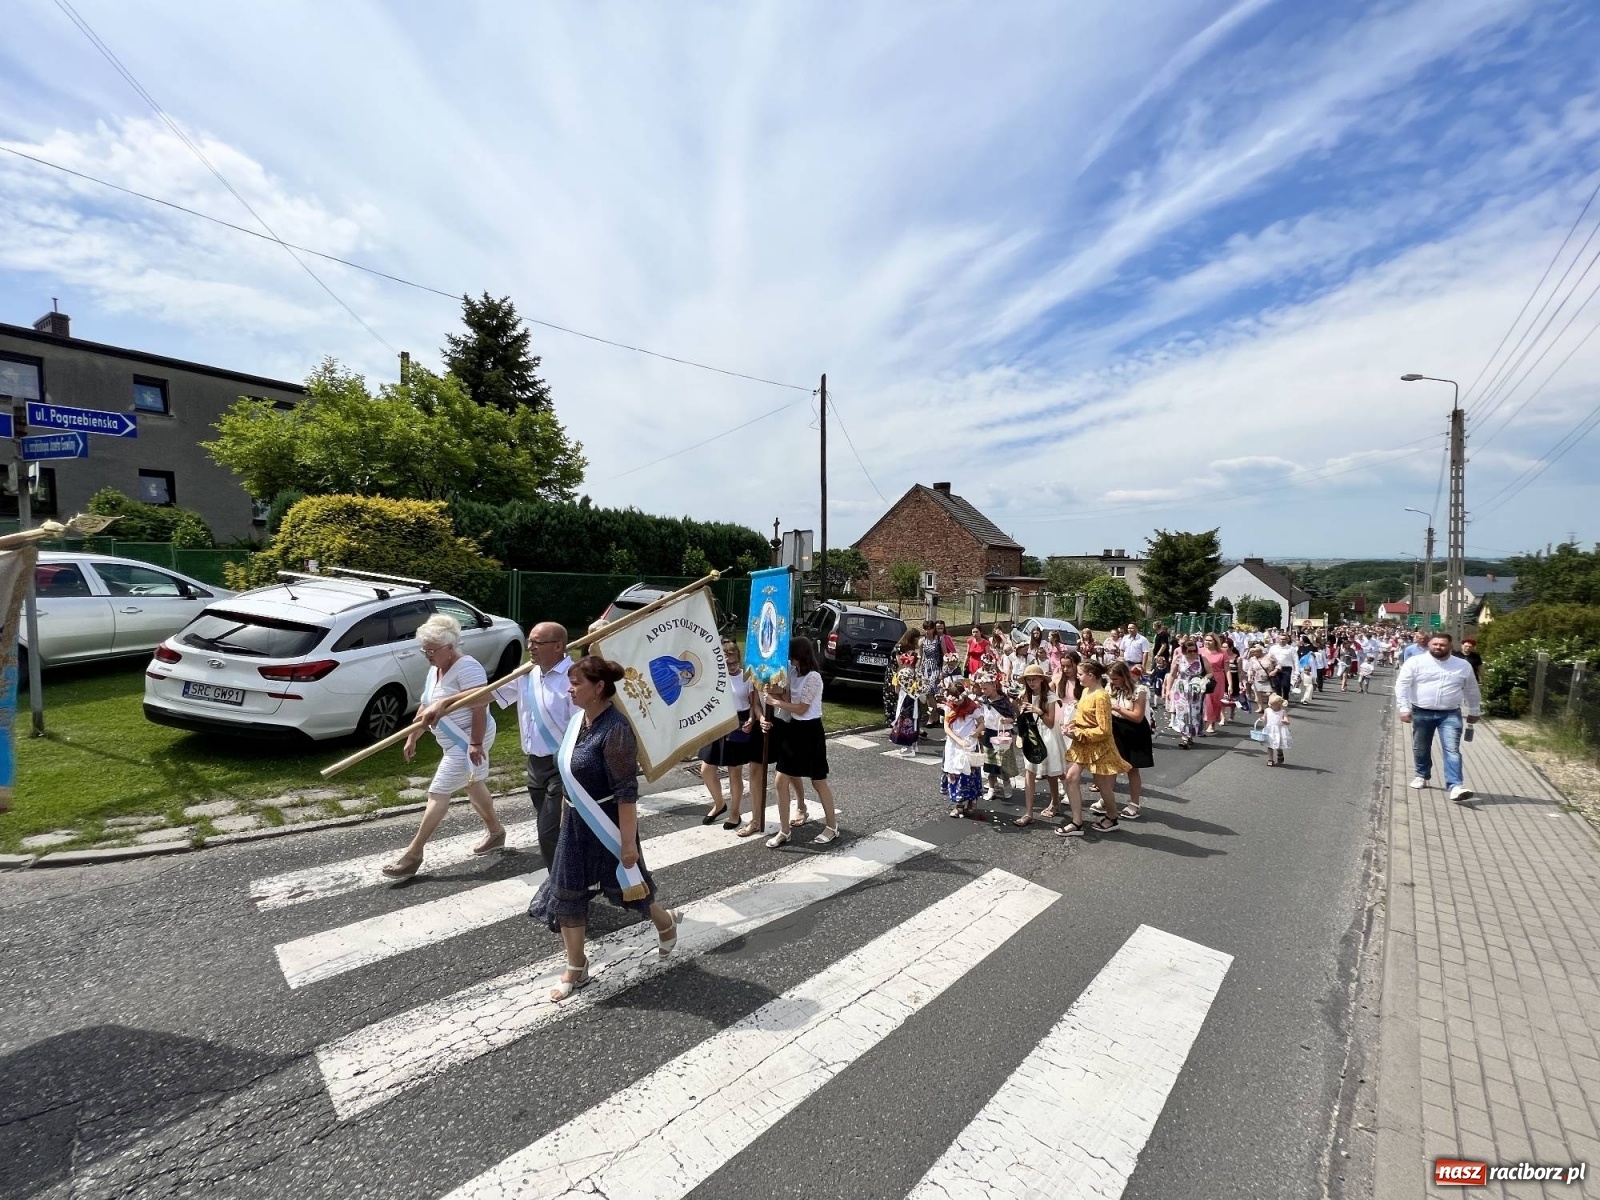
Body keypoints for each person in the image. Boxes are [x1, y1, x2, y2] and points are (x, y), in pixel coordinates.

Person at [529, 655, 680, 1002]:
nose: (569, 689)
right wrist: (566, 819)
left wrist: (628, 846)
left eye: (576, 683)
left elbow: (627, 793)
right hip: (576, 824)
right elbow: (570, 780)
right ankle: (576, 968)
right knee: (568, 892)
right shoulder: (577, 721)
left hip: (608, 825)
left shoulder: (616, 730)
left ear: (598, 688)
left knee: (625, 887)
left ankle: (664, 922)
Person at [383, 615, 503, 878]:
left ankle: (414, 854)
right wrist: (413, 736)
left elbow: (481, 702)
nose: (427, 655)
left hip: (469, 738)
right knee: (473, 784)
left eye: (431, 650)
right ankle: (496, 833)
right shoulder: (435, 668)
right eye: (424, 649)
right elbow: (427, 704)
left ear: (449, 647)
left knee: (438, 792)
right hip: (453, 742)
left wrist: (474, 743)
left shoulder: (467, 667)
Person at [489, 621, 571, 871]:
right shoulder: (526, 674)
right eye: (530, 641)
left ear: (558, 646)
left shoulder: (575, 677)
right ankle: (572, 879)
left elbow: (586, 726)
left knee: (549, 833)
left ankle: (562, 888)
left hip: (564, 765)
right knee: (552, 828)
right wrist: (443, 706)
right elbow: (487, 695)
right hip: (536, 765)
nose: (530, 647)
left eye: (537, 642)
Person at [763, 636, 839, 846]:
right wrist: (772, 690)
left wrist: (775, 701)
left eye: (794, 658)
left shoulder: (814, 677)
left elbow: (802, 708)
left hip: (811, 730)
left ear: (802, 657)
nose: (792, 661)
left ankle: (832, 826)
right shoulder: (792, 671)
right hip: (794, 729)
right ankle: (784, 830)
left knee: (818, 781)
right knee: (780, 779)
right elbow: (788, 695)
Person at [1396, 632, 1482, 803]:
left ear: (1450, 646)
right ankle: (1422, 774)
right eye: (1435, 644)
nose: (1438, 647)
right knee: (1421, 747)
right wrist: (1403, 708)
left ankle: (1456, 786)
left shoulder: (1462, 666)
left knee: (1452, 749)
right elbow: (1402, 685)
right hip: (1421, 711)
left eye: (1442, 645)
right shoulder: (1416, 662)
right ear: (1429, 645)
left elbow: (1471, 689)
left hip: (1450, 713)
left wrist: (1474, 710)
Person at [1057, 660, 1131, 837]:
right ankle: (1077, 822)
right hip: (1082, 744)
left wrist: (1080, 733)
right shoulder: (1084, 691)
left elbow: (1104, 729)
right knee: (1071, 778)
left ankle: (1112, 817)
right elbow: (1082, 716)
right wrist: (1072, 725)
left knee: (1103, 785)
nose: (1078, 676)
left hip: (1099, 746)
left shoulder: (1101, 696)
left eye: (1081, 674)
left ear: (1091, 676)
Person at [697, 635, 754, 829]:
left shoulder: (747, 675)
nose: (732, 666)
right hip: (718, 722)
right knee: (706, 769)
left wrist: (752, 719)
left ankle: (735, 813)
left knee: (734, 772)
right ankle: (719, 803)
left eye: (735, 661)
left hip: (739, 721)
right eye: (727, 662)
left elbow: (753, 702)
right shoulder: (715, 675)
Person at [1101, 660, 1152, 820]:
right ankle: (1106, 800)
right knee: (1111, 765)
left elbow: (1138, 716)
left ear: (1124, 677)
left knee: (1132, 768)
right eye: (1110, 679)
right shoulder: (1110, 688)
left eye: (1115, 679)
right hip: (1114, 727)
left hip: (1133, 730)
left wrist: (1117, 708)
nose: (1112, 682)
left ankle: (1134, 804)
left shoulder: (1139, 690)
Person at [1014, 663, 1065, 825]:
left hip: (1047, 735)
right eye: (1028, 680)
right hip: (1032, 735)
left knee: (1051, 773)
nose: (1031, 683)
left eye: (1034, 679)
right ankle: (1029, 813)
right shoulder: (1025, 695)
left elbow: (1050, 723)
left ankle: (1055, 802)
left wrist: (1038, 711)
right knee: (1030, 772)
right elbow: (1022, 718)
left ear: (1042, 680)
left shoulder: (1050, 697)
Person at [941, 681, 983, 817]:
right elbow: (946, 727)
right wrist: (957, 740)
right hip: (954, 744)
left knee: (969, 774)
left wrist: (977, 731)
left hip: (968, 744)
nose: (956, 703)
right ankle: (958, 805)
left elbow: (982, 723)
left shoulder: (972, 707)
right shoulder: (949, 707)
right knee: (954, 773)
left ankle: (971, 800)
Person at [976, 673, 1018, 802]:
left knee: (1003, 763)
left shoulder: (1004, 701)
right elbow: (980, 715)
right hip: (988, 733)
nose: (983, 691)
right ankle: (992, 788)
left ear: (994, 686)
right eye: (982, 688)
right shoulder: (983, 700)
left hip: (1002, 735)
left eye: (986, 688)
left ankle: (1006, 784)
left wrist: (1007, 720)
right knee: (989, 763)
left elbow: (1013, 716)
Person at [1165, 638, 1207, 748]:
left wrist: (1202, 681)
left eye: (1194, 650)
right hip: (1181, 689)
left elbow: (1210, 673)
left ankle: (1190, 736)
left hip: (1195, 691)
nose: (1193, 653)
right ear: (1184, 651)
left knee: (1194, 714)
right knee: (1182, 713)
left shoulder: (1201, 659)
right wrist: (1168, 690)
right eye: (1190, 651)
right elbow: (1172, 675)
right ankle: (1184, 737)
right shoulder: (1179, 659)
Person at [1201, 633, 1229, 733]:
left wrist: (1230, 684)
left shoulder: (1222, 653)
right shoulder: (1200, 651)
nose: (1207, 642)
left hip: (1218, 679)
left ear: (1215, 642)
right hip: (1203, 677)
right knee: (1205, 701)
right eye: (1206, 640)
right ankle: (1203, 722)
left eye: (1210, 640)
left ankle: (1212, 723)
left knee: (1214, 701)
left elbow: (1227, 669)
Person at [1262, 693, 1292, 767]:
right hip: (1270, 730)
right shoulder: (1267, 710)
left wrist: (1285, 721)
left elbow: (1287, 721)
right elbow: (1264, 717)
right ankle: (1270, 759)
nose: (1270, 706)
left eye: (1272, 705)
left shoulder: (1282, 712)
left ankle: (1280, 752)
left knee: (1278, 745)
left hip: (1279, 730)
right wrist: (1262, 719)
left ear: (1279, 704)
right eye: (1270, 704)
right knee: (1270, 745)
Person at [1267, 631, 1297, 699]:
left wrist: (1297, 671)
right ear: (1278, 639)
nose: (1282, 641)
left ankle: (1285, 698)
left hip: (1286, 668)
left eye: (1284, 639)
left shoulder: (1291, 649)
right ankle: (1278, 699)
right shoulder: (1273, 648)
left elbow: (1295, 660)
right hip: (1275, 668)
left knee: (1285, 685)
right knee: (1277, 685)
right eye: (1281, 639)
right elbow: (1269, 658)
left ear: (1287, 640)